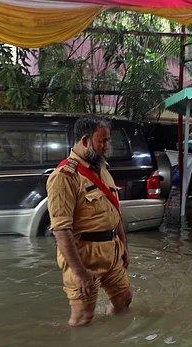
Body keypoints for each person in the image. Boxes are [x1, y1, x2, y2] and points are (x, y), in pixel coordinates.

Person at [46, 115, 132, 326]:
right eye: (102, 141)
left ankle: (113, 338)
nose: (106, 146)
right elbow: (61, 229)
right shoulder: (64, 177)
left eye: (107, 141)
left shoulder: (102, 169)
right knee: (83, 317)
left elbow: (114, 209)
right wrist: (80, 272)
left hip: (111, 251)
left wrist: (123, 245)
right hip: (84, 255)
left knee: (124, 299)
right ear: (85, 141)